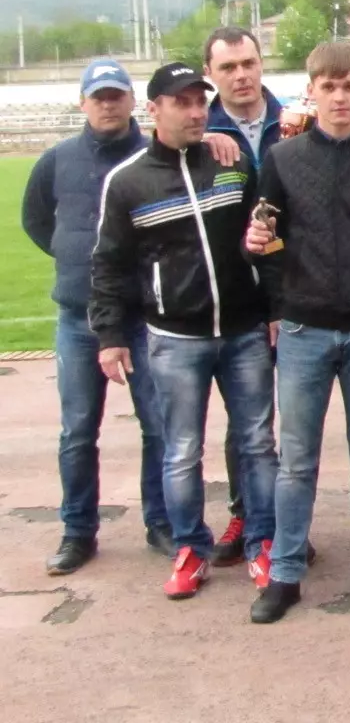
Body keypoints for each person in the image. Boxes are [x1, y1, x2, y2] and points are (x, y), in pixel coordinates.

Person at [242, 42, 350, 623]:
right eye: (329, 87)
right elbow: (266, 239)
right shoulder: (283, 159)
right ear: (311, 91)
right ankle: (285, 573)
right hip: (304, 329)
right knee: (296, 462)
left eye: (349, 86)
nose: (339, 97)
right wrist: (275, 303)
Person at [88, 62, 279, 599]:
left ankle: (262, 541)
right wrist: (110, 336)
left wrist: (273, 306)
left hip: (243, 329)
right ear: (155, 109)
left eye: (201, 101)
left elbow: (264, 237)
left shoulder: (230, 162)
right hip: (174, 338)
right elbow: (108, 265)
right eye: (183, 102)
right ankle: (191, 548)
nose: (197, 112)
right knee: (181, 450)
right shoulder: (128, 182)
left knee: (258, 443)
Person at [22, 60, 173, 573]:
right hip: (79, 319)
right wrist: (75, 259)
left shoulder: (153, 155)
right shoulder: (57, 160)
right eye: (99, 97)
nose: (108, 105)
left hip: (143, 317)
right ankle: (77, 530)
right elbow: (36, 220)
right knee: (78, 431)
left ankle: (161, 522)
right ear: (83, 103)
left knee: (159, 425)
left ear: (132, 101)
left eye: (116, 95)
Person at [202, 25, 283, 566]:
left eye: (248, 63)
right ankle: (245, 513)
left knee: (293, 421)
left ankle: (281, 522)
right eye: (228, 68)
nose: (240, 75)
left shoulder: (294, 121)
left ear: (261, 64)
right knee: (247, 422)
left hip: (292, 294)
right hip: (231, 300)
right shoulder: (199, 132)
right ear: (210, 74)